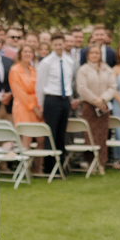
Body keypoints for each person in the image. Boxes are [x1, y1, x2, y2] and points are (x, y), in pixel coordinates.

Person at [35, 33, 77, 169]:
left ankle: (61, 166)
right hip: (51, 100)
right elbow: (40, 86)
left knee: (61, 134)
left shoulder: (69, 61)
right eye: (56, 45)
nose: (59, 47)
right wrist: (41, 106)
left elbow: (69, 82)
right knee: (51, 134)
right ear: (52, 45)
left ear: (64, 44)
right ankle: (49, 167)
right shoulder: (46, 62)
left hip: (65, 100)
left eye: (60, 44)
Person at [75, 44, 115, 170]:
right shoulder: (83, 70)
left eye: (97, 53)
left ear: (100, 55)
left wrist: (103, 99)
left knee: (102, 134)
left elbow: (112, 87)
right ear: (88, 55)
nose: (94, 55)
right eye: (92, 53)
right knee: (90, 134)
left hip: (103, 106)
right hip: (89, 105)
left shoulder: (107, 69)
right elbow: (82, 88)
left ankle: (101, 162)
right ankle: (91, 162)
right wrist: (95, 100)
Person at [8, 43, 41, 127]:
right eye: (25, 51)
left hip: (36, 104)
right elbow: (19, 92)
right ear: (20, 54)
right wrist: (34, 108)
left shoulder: (32, 69)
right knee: (26, 131)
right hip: (23, 106)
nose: (28, 54)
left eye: (30, 52)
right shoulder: (15, 70)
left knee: (39, 131)